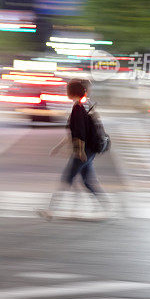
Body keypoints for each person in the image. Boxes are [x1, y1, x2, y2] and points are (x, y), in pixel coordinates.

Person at [42, 78, 107, 218]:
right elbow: (74, 133)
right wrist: (58, 147)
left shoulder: (78, 108)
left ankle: (51, 211)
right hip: (89, 151)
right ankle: (105, 206)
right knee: (86, 181)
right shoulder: (82, 106)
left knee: (67, 178)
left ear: (72, 92)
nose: (66, 92)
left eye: (68, 90)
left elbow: (79, 133)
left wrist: (80, 151)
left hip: (83, 151)